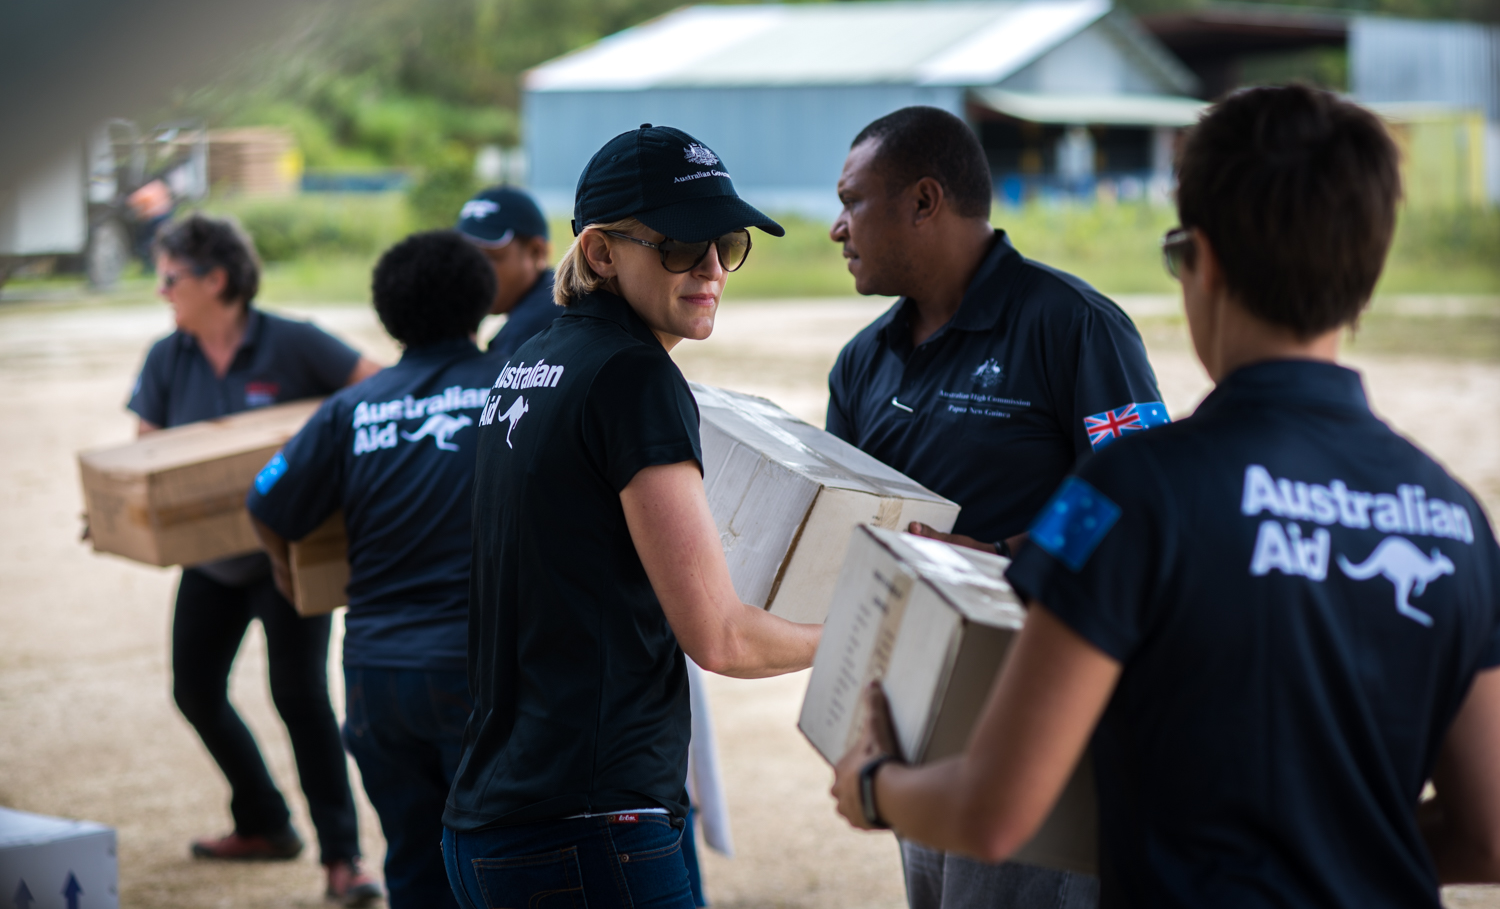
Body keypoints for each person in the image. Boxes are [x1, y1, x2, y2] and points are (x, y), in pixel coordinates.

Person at [830, 85, 1500, 907]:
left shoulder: (1121, 491)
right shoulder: (1455, 520)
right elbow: (1487, 834)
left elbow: (996, 811)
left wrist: (873, 783)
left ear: (1204, 260)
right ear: (1364, 278)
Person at [442, 124, 822, 909]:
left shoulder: (532, 360)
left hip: (496, 814)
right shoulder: (634, 379)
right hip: (587, 825)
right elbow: (720, 636)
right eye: (681, 245)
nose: (712, 268)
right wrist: (870, 634)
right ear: (600, 251)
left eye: (728, 242)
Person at [824, 107, 1162, 908]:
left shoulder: (1075, 326)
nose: (837, 227)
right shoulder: (861, 364)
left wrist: (1011, 556)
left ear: (924, 201)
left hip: (1044, 715)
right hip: (918, 718)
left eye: (852, 200)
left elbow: (1142, 497)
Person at [126, 214, 384, 905]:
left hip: (291, 556)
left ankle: (345, 859)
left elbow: (383, 392)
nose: (161, 290)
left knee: (300, 697)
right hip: (210, 561)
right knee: (196, 690)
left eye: (170, 276)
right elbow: (144, 455)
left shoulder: (293, 341)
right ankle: (266, 820)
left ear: (216, 280)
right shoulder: (167, 357)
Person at [246, 231, 501, 909]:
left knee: (415, 868)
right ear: (481, 301)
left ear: (387, 312)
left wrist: (285, 575)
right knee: (500, 863)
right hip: (478, 671)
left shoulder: (351, 409)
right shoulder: (513, 393)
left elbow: (266, 501)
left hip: (375, 678)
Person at [455, 185, 563, 359]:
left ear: (537, 252)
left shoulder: (533, 329)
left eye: (488, 258)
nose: (470, 271)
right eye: (463, 257)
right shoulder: (554, 301)